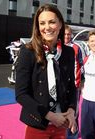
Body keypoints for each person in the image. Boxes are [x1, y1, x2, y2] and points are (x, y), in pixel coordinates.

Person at [15, 4, 77, 139]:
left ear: (60, 24)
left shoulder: (68, 52)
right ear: (37, 26)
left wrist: (72, 111)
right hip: (37, 124)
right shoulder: (28, 51)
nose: (47, 27)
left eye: (52, 22)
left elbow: (71, 86)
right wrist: (50, 116)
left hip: (61, 125)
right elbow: (21, 94)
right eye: (42, 23)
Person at [64, 24, 83, 139]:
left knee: (74, 111)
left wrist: (82, 81)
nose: (66, 36)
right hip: (60, 86)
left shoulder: (76, 48)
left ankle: (73, 135)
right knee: (61, 110)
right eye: (65, 34)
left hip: (74, 85)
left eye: (68, 34)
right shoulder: (56, 46)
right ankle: (63, 133)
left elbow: (81, 65)